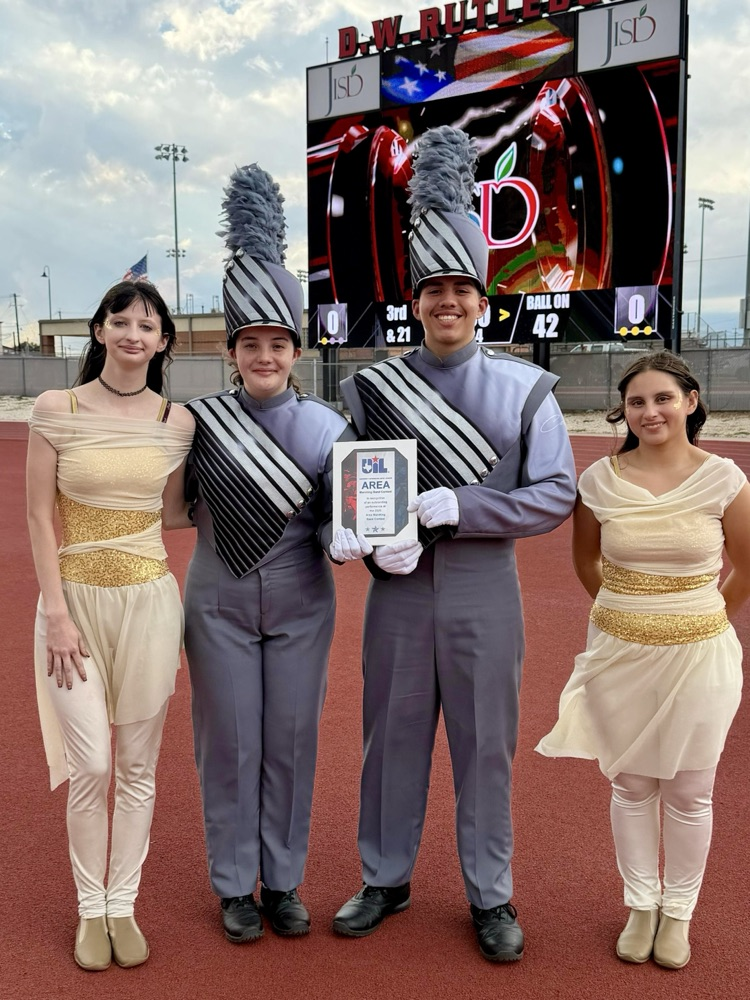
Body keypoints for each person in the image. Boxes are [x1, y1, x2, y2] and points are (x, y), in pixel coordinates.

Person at [331, 126, 577, 961]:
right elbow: (346, 492)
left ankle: (490, 893)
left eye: (461, 289)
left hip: (483, 589)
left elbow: (556, 493)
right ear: (416, 298)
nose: (447, 302)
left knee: (485, 749)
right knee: (388, 743)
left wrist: (462, 508)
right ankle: (385, 877)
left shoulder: (527, 387)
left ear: (482, 300)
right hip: (398, 594)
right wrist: (362, 543)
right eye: (433, 288)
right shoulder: (372, 387)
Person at [182, 164, 357, 945]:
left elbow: (339, 519)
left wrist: (344, 535)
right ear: (232, 350)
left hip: (301, 602)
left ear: (295, 349)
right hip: (216, 600)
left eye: (277, 343)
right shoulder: (194, 421)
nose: (264, 355)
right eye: (249, 343)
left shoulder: (329, 427)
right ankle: (232, 884)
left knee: (289, 741)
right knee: (228, 744)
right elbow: (171, 502)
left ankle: (281, 881)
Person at [536, 350, 750, 969]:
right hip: (619, 652)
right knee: (630, 784)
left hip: (700, 654)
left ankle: (678, 912)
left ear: (691, 401)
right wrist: (625, 614)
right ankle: (640, 905)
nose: (650, 411)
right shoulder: (598, 480)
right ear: (623, 411)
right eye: (636, 402)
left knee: (690, 789)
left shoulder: (725, 479)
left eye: (662, 398)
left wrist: (699, 617)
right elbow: (586, 561)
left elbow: (748, 566)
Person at [26, 280, 195, 971]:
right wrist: (56, 614)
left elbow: (176, 514)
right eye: (120, 321)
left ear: (162, 342)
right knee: (92, 763)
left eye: (147, 326)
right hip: (72, 608)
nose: (133, 334)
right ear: (99, 331)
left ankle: (121, 905)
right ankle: (88, 907)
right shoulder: (56, 408)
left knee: (136, 767)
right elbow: (39, 516)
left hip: (150, 604)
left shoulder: (177, 423)